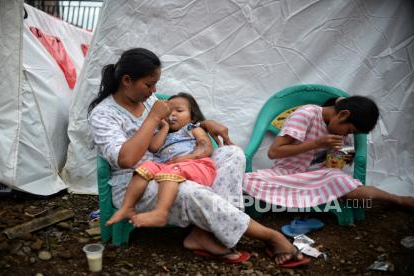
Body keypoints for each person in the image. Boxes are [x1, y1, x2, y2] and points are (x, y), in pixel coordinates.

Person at [88, 48, 309, 266]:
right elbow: (125, 159)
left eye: (155, 84)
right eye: (149, 84)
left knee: (232, 153)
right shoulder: (103, 114)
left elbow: (178, 121)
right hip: (134, 183)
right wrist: (152, 119)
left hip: (166, 166)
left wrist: (204, 123)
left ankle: (207, 233)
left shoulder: (148, 100)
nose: (154, 90)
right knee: (189, 191)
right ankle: (270, 236)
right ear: (126, 80)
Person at [244, 96, 414, 210]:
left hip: (317, 178)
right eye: (348, 130)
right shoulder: (307, 114)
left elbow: (334, 168)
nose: (346, 135)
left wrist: (340, 155)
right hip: (285, 174)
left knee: (344, 183)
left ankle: (398, 200)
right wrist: (316, 144)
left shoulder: (341, 135)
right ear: (343, 114)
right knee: (245, 182)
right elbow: (274, 153)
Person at [106, 92, 217, 228]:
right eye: (169, 111)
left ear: (192, 117)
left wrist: (189, 157)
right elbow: (153, 147)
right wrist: (164, 127)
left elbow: (205, 146)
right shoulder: (162, 133)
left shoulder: (192, 128)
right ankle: (127, 207)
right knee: (145, 168)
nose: (173, 114)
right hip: (166, 166)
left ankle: (160, 212)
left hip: (193, 164)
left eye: (179, 111)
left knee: (171, 171)